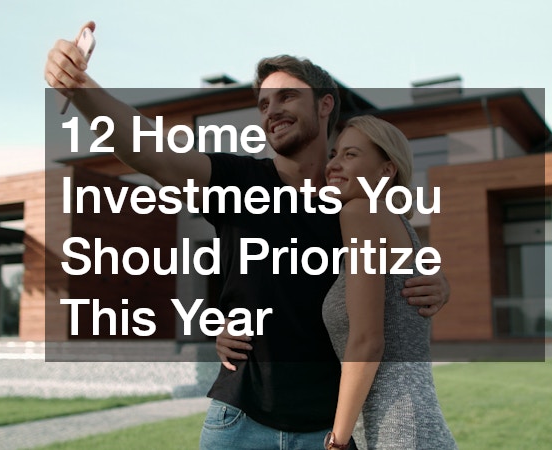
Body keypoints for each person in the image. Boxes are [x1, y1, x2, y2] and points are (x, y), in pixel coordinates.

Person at [44, 22, 450, 450]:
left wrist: (436, 283)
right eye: (263, 104)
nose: (271, 110)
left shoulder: (355, 205)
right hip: (239, 422)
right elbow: (151, 152)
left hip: (329, 428)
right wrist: (83, 88)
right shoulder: (237, 181)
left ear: (326, 104)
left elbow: (395, 294)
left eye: (288, 96)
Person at [321, 115, 456, 449]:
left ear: (386, 170)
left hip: (396, 427)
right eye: (334, 154)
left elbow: (367, 341)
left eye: (350, 155)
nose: (334, 165)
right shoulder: (392, 221)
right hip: (408, 420)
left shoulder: (360, 212)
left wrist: (337, 440)